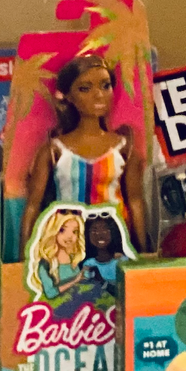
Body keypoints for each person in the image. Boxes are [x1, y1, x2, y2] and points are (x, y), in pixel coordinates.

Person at [21, 53, 146, 252]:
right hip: (69, 242)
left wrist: (145, 251)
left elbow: (136, 202)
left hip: (114, 242)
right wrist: (24, 260)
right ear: (69, 96)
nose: (98, 95)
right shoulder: (54, 150)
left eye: (105, 86)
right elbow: (32, 206)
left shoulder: (123, 147)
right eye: (85, 89)